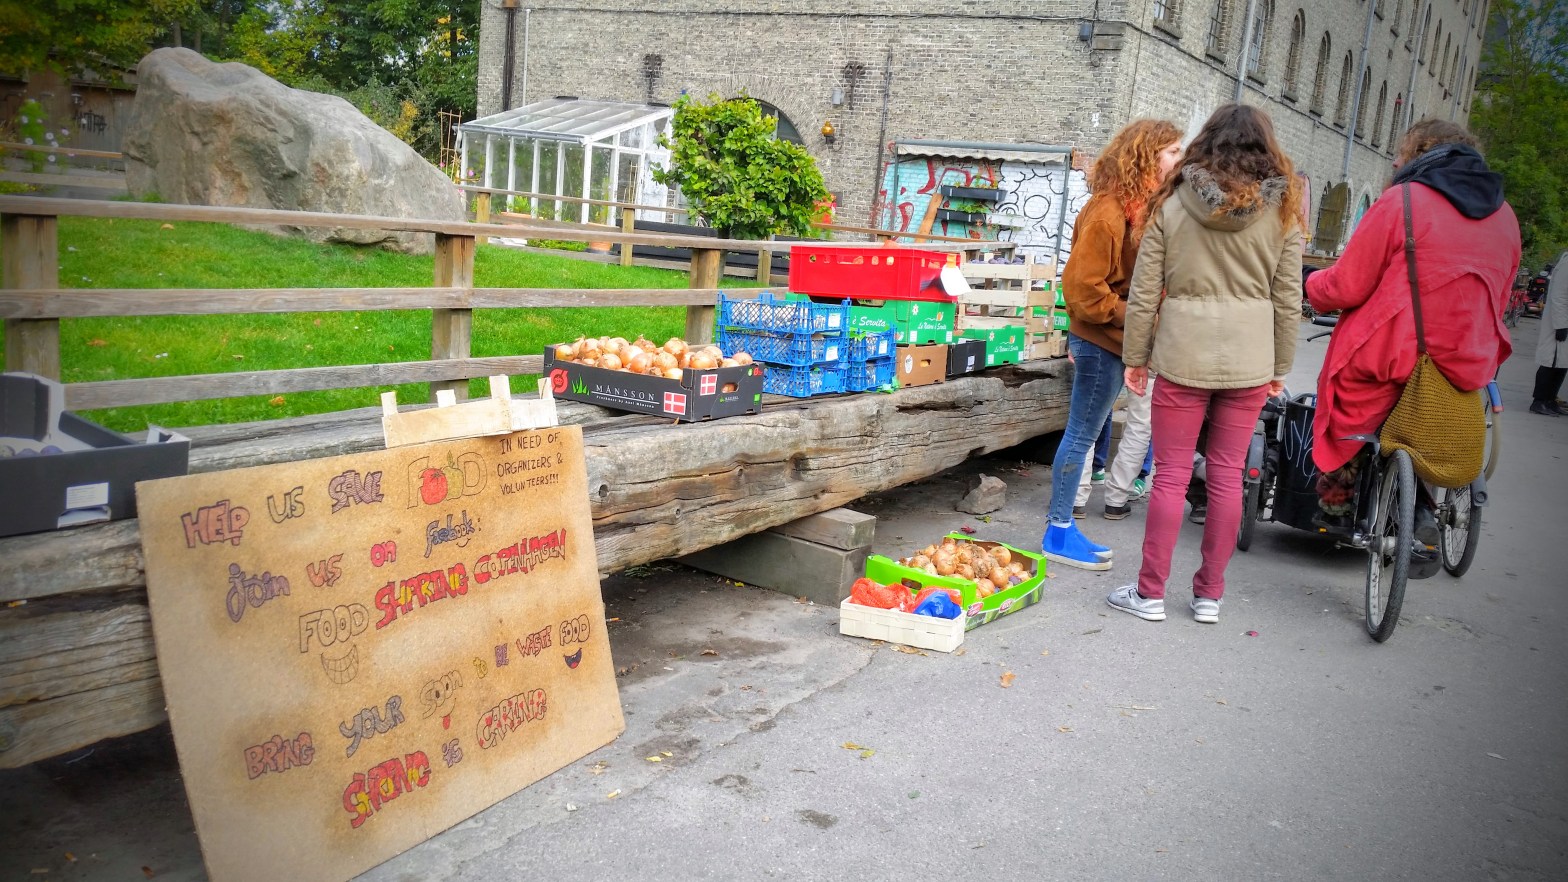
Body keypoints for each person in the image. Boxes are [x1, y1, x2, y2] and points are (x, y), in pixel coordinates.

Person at [1112, 104, 1303, 623]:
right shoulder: (1283, 211)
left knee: (1171, 474)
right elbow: (1288, 299)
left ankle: (1150, 593)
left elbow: (1144, 289)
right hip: (1249, 358)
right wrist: (1280, 366)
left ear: (1207, 142)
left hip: (1182, 352)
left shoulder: (1172, 202)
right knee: (1225, 476)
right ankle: (1208, 596)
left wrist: (1135, 358)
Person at [1306, 119, 1520, 529]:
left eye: (1400, 153)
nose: (1394, 161)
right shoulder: (1505, 217)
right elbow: (1502, 295)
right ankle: (1420, 507)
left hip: (1392, 356)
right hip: (1462, 362)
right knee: (1430, 423)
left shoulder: (1402, 200)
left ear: (1420, 153)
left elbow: (1348, 285)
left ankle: (1336, 503)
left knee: (1347, 405)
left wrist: (1312, 284)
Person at [1041, 118, 1183, 571]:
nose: (1179, 159)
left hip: (1109, 341)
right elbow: (1082, 289)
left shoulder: (1132, 208)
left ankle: (1062, 527)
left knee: (1082, 435)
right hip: (1100, 342)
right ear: (1146, 156)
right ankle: (1057, 531)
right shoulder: (1108, 211)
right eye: (1173, 151)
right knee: (1081, 435)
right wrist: (1137, 317)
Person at [1531, 250, 1568, 416]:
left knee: (1562, 364)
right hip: (1558, 321)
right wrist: (1561, 325)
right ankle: (1539, 401)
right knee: (1550, 362)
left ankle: (1551, 399)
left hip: (1564, 320)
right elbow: (1559, 297)